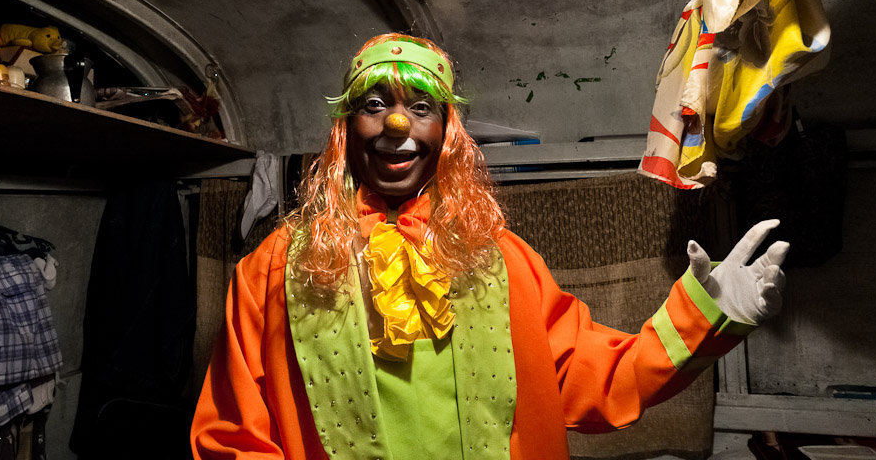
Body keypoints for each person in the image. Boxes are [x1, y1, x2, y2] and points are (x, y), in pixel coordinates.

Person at [191, 33, 788, 460]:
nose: (397, 126)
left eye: (420, 108)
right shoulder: (271, 269)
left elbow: (593, 376)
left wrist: (706, 313)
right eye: (375, 106)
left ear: (446, 135)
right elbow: (231, 436)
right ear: (346, 130)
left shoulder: (500, 258)